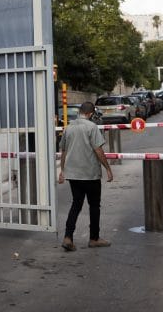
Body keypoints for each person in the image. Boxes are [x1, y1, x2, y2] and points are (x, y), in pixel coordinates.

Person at [57, 101, 114, 251]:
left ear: (80, 112)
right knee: (94, 206)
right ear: (91, 113)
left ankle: (68, 237)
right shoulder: (92, 127)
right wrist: (108, 168)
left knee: (76, 204)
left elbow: (64, 151)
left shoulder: (68, 128)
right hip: (90, 174)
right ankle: (94, 238)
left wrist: (62, 171)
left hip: (73, 174)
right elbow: (98, 150)